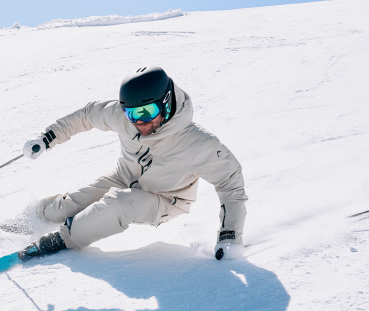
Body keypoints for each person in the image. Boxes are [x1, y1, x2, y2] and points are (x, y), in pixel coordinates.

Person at [18, 66, 247, 261]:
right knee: (65, 207)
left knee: (120, 204)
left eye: (147, 112)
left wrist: (230, 234)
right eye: (131, 113)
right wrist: (47, 138)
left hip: (165, 199)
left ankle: (63, 238)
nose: (138, 121)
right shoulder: (124, 117)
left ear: (166, 103)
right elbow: (86, 116)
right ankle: (32, 216)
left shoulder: (198, 143)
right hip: (123, 177)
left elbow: (231, 182)